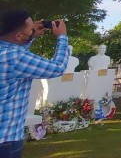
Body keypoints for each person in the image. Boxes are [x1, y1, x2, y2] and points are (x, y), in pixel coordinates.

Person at [0, 10, 69, 157]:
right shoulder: (16, 58)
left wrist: (30, 37)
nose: (33, 30)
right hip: (6, 139)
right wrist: (62, 37)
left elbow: (13, 51)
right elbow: (57, 68)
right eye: (30, 29)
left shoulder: (7, 53)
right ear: (19, 36)